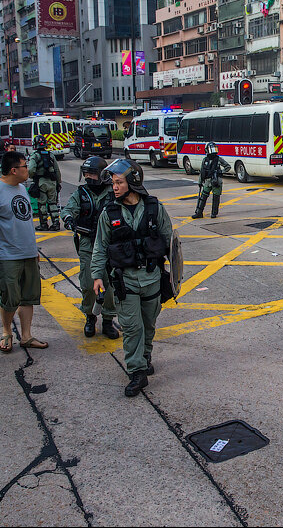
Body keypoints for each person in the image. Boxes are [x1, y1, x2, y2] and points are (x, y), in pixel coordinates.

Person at [90, 159, 173, 397]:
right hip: (125, 282)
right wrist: (97, 275)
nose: (114, 187)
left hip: (152, 280)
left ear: (133, 183)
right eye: (113, 183)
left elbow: (171, 244)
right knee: (131, 327)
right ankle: (137, 372)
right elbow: (100, 247)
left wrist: (174, 279)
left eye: (118, 182)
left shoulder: (155, 208)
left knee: (148, 325)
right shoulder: (109, 213)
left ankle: (145, 356)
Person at [0, 151, 48, 353]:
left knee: (28, 297)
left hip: (28, 253)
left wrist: (33, 249)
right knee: (10, 299)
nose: (28, 170)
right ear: (13, 170)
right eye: (25, 166)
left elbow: (25, 222)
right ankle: (7, 332)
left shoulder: (21, 188)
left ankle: (26, 336)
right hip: (7, 255)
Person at [61, 156, 120, 339]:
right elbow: (69, 209)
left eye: (92, 174)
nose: (88, 178)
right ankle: (90, 316)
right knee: (88, 284)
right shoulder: (81, 193)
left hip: (110, 244)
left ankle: (109, 320)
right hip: (88, 244)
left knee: (110, 286)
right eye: (86, 174)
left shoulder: (113, 192)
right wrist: (69, 218)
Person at [28, 135, 62, 231]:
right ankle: (56, 223)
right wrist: (58, 182)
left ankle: (43, 224)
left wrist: (32, 176)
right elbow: (57, 170)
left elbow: (31, 169)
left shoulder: (35, 156)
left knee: (42, 204)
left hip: (41, 182)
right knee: (53, 203)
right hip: (52, 182)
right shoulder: (50, 155)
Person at [191, 142, 231, 219]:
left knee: (216, 198)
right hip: (207, 181)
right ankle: (199, 212)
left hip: (216, 181)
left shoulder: (218, 159)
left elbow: (228, 166)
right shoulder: (205, 160)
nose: (213, 151)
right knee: (203, 197)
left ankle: (214, 213)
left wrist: (221, 172)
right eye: (211, 149)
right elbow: (202, 171)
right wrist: (200, 182)